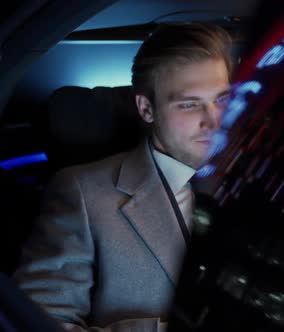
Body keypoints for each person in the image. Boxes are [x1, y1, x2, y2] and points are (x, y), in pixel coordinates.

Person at [12, 23, 233, 331]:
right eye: (189, 104)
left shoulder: (264, 182)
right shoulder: (81, 193)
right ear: (146, 108)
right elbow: (37, 325)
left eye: (222, 100)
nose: (214, 121)